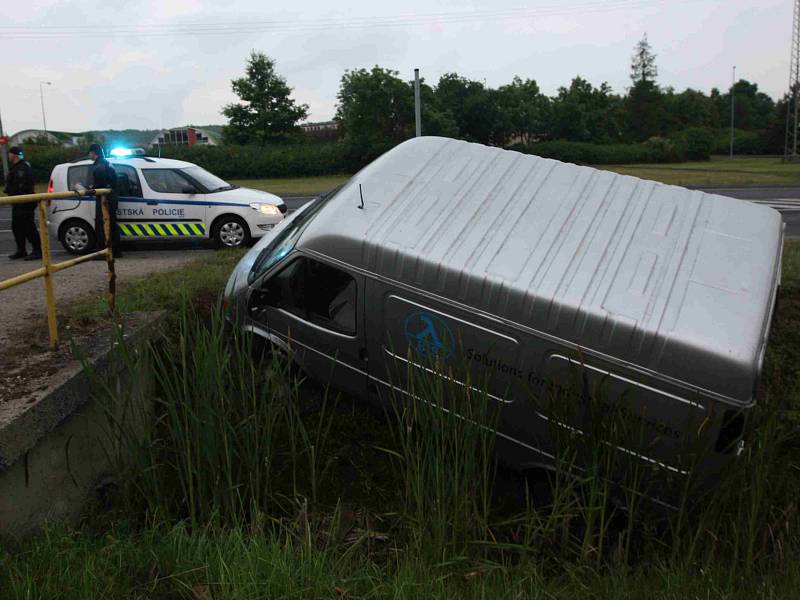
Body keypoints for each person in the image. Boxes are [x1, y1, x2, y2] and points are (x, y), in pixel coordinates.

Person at [5, 146, 41, 261]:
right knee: (17, 227)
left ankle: (37, 251)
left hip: (24, 203)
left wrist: (10, 190)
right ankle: (21, 250)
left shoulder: (22, 168)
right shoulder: (19, 167)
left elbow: (21, 186)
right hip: (18, 202)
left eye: (9, 154)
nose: (8, 156)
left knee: (28, 227)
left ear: (13, 155)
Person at [88, 143, 122, 258]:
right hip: (112, 198)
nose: (89, 155)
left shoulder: (99, 166)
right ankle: (116, 251)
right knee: (112, 224)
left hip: (104, 200)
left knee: (101, 225)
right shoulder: (107, 163)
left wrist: (89, 189)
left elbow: (99, 185)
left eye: (90, 153)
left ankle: (102, 251)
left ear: (94, 153)